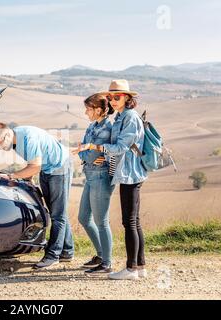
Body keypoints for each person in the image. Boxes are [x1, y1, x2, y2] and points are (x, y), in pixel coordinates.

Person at [80, 79, 148, 280]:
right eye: (110, 97)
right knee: (134, 221)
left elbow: (120, 148)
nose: (112, 100)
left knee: (130, 222)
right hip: (124, 172)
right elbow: (114, 149)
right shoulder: (120, 117)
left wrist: (96, 148)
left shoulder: (130, 118)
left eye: (116, 97)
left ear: (127, 98)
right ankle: (140, 266)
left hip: (131, 174)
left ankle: (131, 269)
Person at [0, 123, 74, 269]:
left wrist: (12, 176)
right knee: (56, 212)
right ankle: (67, 251)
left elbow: (35, 165)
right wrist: (28, 178)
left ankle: (53, 255)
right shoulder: (15, 142)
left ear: (7, 135)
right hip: (47, 169)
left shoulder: (28, 138)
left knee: (57, 214)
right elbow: (33, 162)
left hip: (59, 166)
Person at [71, 93, 115, 273]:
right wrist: (86, 152)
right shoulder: (92, 127)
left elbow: (88, 154)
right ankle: (101, 254)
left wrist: (87, 153)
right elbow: (83, 151)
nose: (85, 112)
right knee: (83, 217)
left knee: (101, 221)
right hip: (91, 175)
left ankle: (107, 262)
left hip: (100, 176)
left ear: (99, 110)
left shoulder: (106, 129)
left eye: (88, 108)